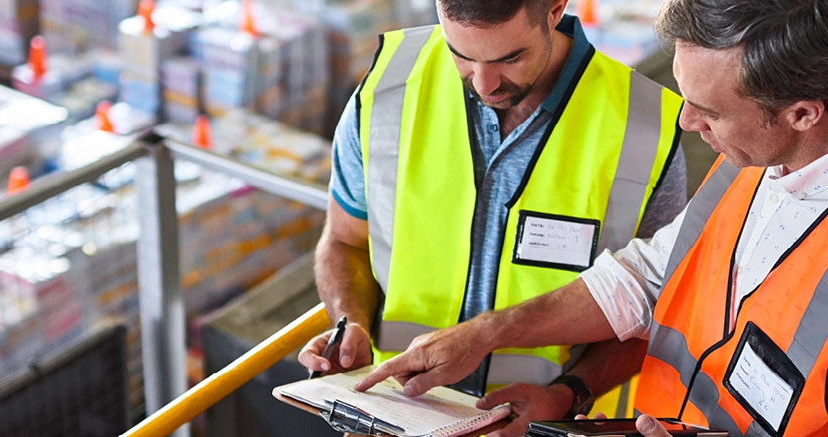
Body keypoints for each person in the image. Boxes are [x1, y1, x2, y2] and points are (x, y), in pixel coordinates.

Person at [354, 0, 828, 435]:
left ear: (803, 111)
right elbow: (649, 277)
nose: (687, 122)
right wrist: (490, 334)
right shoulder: (767, 146)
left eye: (708, 110)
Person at [296, 0, 690, 433]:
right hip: (388, 414)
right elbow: (345, 240)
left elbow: (653, 308)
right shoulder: (389, 85)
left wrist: (566, 394)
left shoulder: (645, 128)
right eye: (460, 54)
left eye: (510, 57)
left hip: (538, 426)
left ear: (555, 9)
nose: (484, 83)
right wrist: (347, 323)